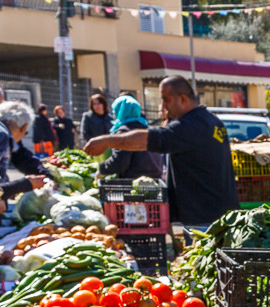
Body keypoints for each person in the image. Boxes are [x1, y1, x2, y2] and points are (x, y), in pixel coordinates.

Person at [84, 76, 238, 226]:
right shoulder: (209, 120)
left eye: (166, 100)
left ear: (183, 99)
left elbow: (150, 139)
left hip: (206, 217)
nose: (164, 106)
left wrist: (106, 141)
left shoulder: (192, 126)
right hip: (214, 212)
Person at [0, 101, 48, 227]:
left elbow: (21, 154)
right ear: (23, 127)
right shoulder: (0, 136)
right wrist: (23, 185)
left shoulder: (1, 132)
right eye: (26, 132)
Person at [97, 95, 163, 180]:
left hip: (135, 182)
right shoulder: (147, 129)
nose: (113, 115)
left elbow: (119, 162)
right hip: (155, 179)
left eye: (114, 111)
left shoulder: (124, 132)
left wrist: (102, 169)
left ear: (120, 111)